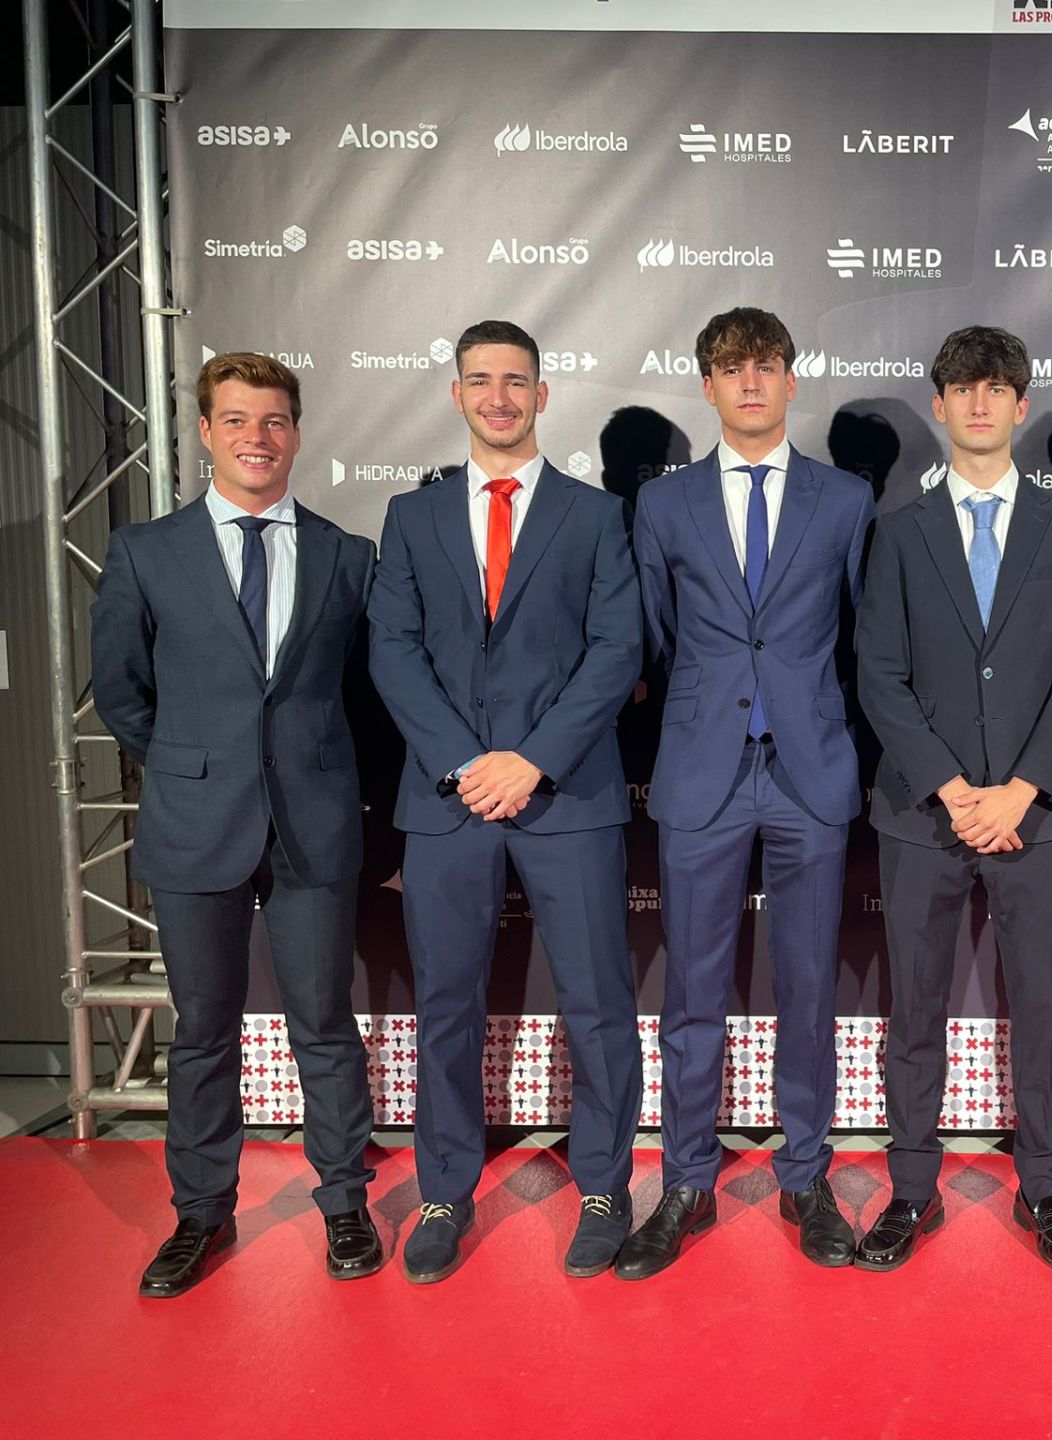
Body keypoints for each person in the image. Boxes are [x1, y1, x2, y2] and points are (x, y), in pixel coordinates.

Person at [92, 353, 380, 1296]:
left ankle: (345, 1205)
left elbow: (367, 701)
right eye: (237, 420)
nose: (258, 436)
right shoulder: (145, 550)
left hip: (315, 823)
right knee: (205, 1031)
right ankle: (200, 1216)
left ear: (296, 433)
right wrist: (193, 757)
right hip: (194, 822)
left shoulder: (348, 555)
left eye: (275, 420)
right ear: (206, 433)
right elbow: (124, 694)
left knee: (324, 1025)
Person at [368, 320, 644, 1283]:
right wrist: (463, 763)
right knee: (445, 1004)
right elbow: (391, 652)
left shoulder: (598, 514)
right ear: (455, 394)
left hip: (567, 795)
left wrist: (531, 761)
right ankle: (443, 1189)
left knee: (599, 1001)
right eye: (480, 380)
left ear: (542, 393)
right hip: (446, 801)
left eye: (515, 381)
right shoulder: (412, 519)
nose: (498, 397)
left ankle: (604, 1188)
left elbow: (618, 652)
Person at [623, 307, 874, 1277]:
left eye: (766, 365)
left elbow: (864, 641)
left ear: (791, 380)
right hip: (702, 773)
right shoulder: (666, 504)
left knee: (809, 988)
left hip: (809, 771)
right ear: (709, 384)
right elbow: (648, 637)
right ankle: (685, 1178)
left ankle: (805, 1176)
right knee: (692, 992)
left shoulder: (844, 499)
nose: (751, 382)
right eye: (732, 368)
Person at [853, 326, 1052, 1271]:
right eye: (962, 388)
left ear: (1021, 406)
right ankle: (912, 1188)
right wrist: (958, 790)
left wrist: (1022, 789)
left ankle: (1046, 1189)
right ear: (939, 406)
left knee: (1040, 1010)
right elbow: (878, 674)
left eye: (997, 388)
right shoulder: (899, 532)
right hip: (925, 815)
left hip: (1038, 818)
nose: (979, 403)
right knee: (913, 1013)